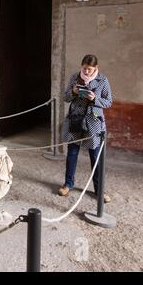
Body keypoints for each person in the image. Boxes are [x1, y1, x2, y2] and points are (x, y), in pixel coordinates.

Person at [59, 54, 112, 203]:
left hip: (94, 122)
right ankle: (68, 184)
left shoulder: (103, 80)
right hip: (75, 120)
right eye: (84, 68)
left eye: (90, 69)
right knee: (72, 154)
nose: (87, 72)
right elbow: (65, 97)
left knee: (96, 157)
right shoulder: (75, 77)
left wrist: (94, 98)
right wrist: (74, 92)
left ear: (96, 68)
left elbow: (108, 102)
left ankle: (99, 190)